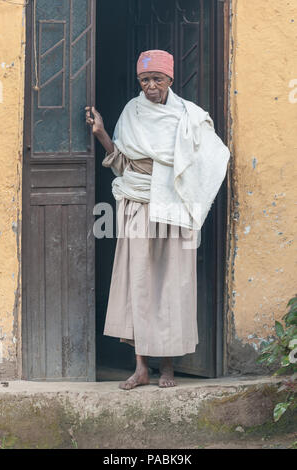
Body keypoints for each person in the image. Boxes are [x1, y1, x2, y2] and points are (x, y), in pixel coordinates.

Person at [86, 49, 230, 390]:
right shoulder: (131, 112)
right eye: (144, 80)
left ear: (170, 79)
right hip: (137, 203)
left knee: (170, 284)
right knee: (139, 283)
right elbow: (121, 162)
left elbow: (214, 157)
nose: (151, 86)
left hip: (175, 207)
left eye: (157, 79)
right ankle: (140, 368)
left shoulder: (189, 117)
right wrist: (101, 133)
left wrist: (188, 188)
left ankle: (168, 367)